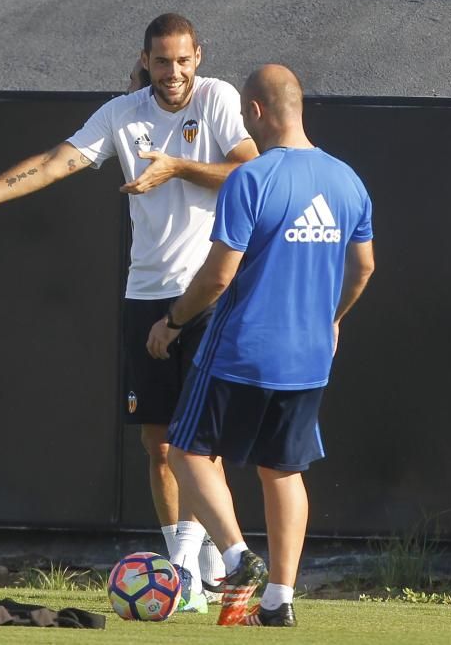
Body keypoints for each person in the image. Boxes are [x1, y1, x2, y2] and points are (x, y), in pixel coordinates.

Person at [0, 12, 257, 612]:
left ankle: (189, 571)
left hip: (207, 290)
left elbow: (249, 173)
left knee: (199, 442)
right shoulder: (122, 114)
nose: (173, 72)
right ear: (144, 60)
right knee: (157, 442)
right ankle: (195, 567)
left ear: (198, 57)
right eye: (161, 60)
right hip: (144, 292)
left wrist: (177, 167)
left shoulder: (219, 99)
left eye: (182, 60)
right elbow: (53, 163)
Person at [146, 64, 375, 627]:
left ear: (254, 112)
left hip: (243, 348)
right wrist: (332, 318)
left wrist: (172, 322)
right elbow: (365, 266)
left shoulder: (253, 178)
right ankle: (280, 600)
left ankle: (232, 556)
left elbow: (218, 276)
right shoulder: (348, 180)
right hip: (308, 357)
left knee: (184, 452)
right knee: (283, 470)